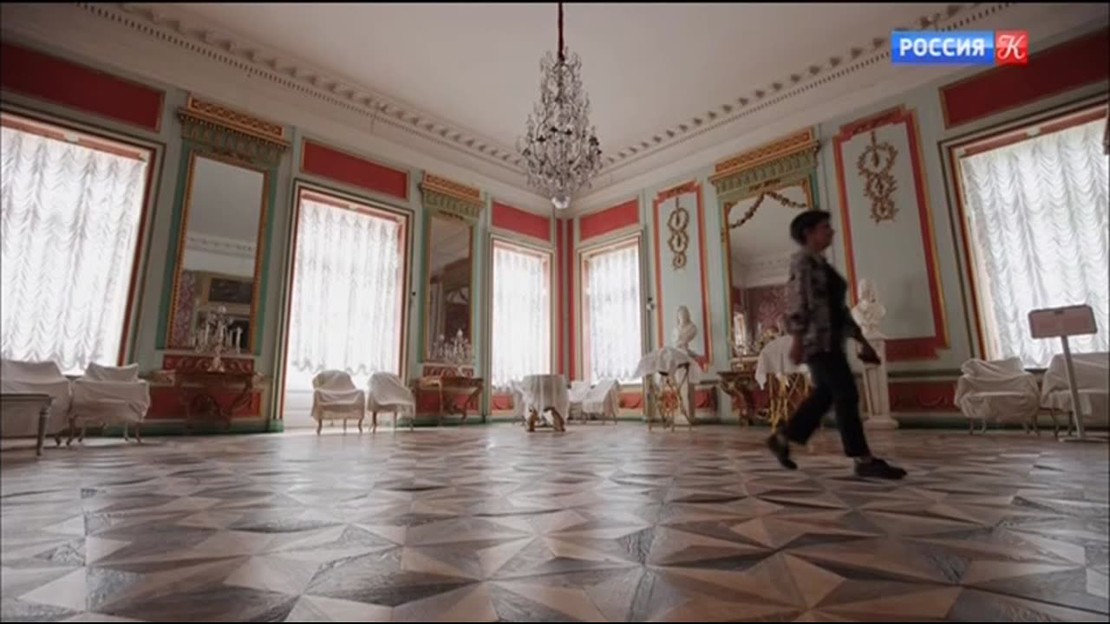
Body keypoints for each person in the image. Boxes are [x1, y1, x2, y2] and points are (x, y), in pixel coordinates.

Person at [765, 210, 907, 480]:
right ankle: (863, 459)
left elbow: (838, 310)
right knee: (846, 395)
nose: (831, 231)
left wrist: (861, 339)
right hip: (818, 343)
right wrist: (797, 340)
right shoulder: (803, 262)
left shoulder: (821, 265)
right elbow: (798, 303)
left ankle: (783, 437)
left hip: (831, 340)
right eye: (824, 227)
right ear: (808, 233)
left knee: (826, 395)